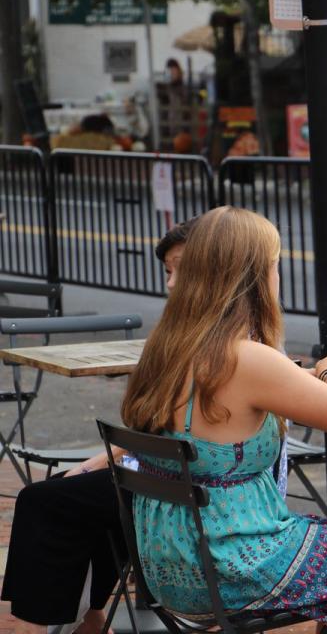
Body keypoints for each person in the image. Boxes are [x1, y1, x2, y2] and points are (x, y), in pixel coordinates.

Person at [121, 207, 327, 630]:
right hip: (233, 561)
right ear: (254, 278)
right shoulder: (245, 357)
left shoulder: (165, 348)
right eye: (275, 266)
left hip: (170, 562)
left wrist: (300, 378)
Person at [1, 221, 195, 634]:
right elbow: (150, 426)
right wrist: (95, 463)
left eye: (181, 269)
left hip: (185, 486)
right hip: (157, 469)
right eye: (167, 271)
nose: (171, 283)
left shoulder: (217, 342)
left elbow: (159, 428)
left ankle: (65, 622)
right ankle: (89, 617)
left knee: (50, 500)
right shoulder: (179, 331)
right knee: (88, 495)